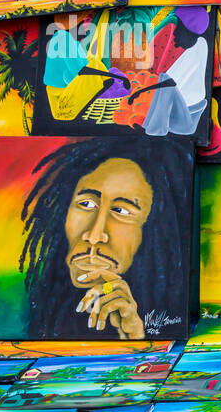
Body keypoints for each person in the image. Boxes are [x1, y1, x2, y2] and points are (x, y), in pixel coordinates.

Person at [20, 136, 189, 339]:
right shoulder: (37, 309)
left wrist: (134, 337)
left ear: (155, 230)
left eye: (121, 211)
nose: (94, 236)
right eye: (87, 204)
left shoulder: (166, 314)